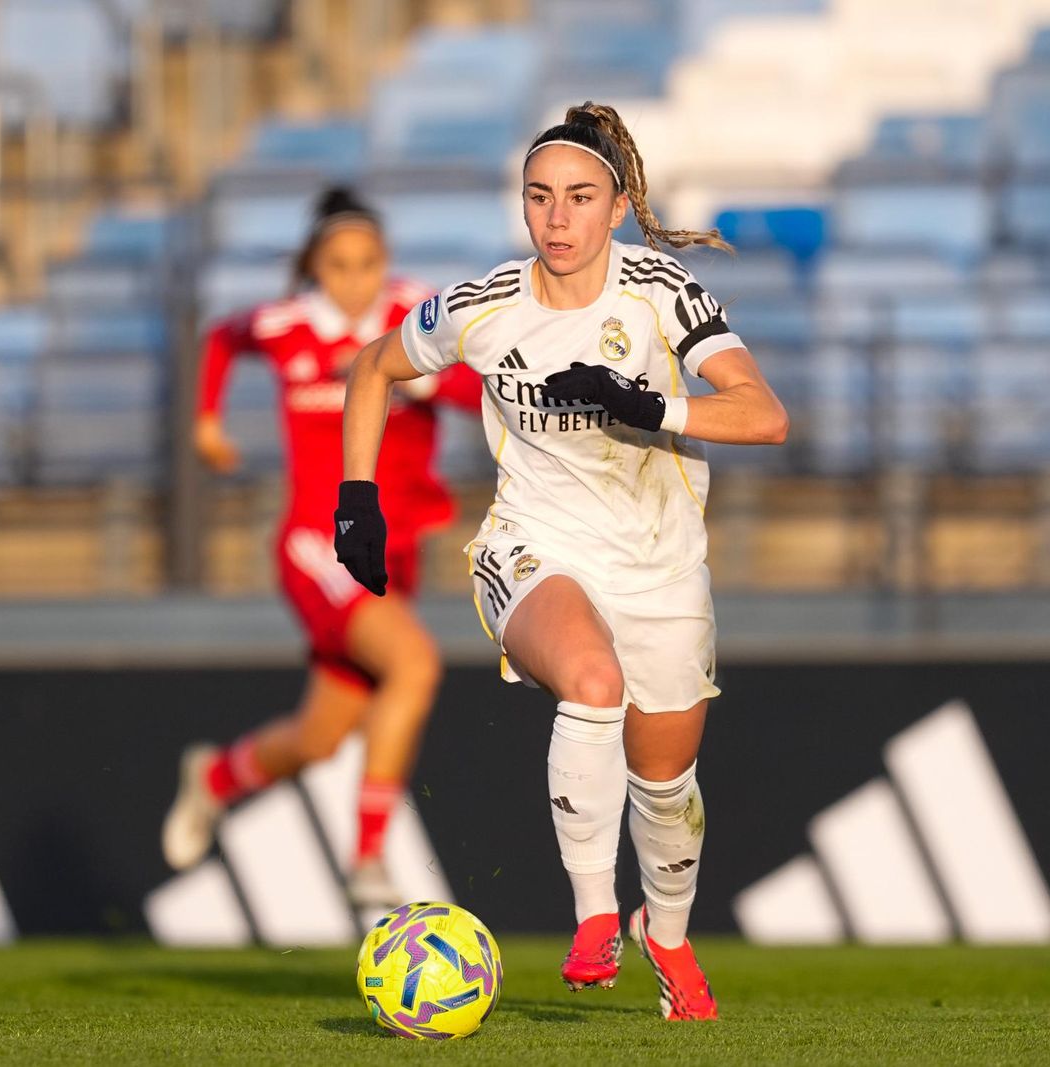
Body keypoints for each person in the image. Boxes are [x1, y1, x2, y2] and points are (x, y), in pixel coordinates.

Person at [333, 104, 787, 1020]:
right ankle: (594, 918)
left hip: (661, 566)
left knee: (666, 788)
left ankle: (667, 935)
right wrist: (356, 497)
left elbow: (765, 415)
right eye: (540, 197)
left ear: (616, 207)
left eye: (579, 198)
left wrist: (648, 405)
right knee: (591, 679)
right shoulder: (486, 304)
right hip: (535, 545)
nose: (557, 218)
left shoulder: (662, 292)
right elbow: (373, 367)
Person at [161, 187, 482, 909]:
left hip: (396, 553)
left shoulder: (413, 315)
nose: (354, 280)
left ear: (385, 263)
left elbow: (473, 383)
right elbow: (220, 336)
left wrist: (421, 378)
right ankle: (368, 858)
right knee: (415, 663)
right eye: (338, 265)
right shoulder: (286, 325)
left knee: (319, 737)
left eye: (367, 264)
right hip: (320, 543)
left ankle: (215, 779)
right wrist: (206, 421)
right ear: (316, 266)